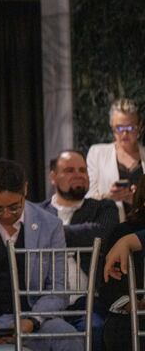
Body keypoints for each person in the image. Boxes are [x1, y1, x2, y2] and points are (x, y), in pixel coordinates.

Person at [0, 159, 82, 351]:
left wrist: (33, 320)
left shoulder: (50, 225)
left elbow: (58, 288)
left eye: (14, 207)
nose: (7, 215)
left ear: (25, 190)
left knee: (68, 338)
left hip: (34, 319)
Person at [39, 150, 118, 350]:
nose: (79, 174)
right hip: (44, 301)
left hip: (89, 301)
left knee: (97, 329)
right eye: (69, 170)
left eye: (83, 170)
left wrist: (51, 233)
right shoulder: (37, 212)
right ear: (53, 177)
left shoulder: (103, 208)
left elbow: (99, 234)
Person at [99, 175, 145, 349]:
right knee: (121, 329)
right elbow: (108, 284)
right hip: (133, 315)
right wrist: (130, 304)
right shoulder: (125, 232)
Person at [86, 98, 145, 222]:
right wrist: (110, 196)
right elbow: (87, 200)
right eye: (119, 128)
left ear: (139, 126)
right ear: (112, 127)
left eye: (130, 128)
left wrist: (137, 199)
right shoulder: (97, 154)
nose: (124, 134)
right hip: (110, 231)